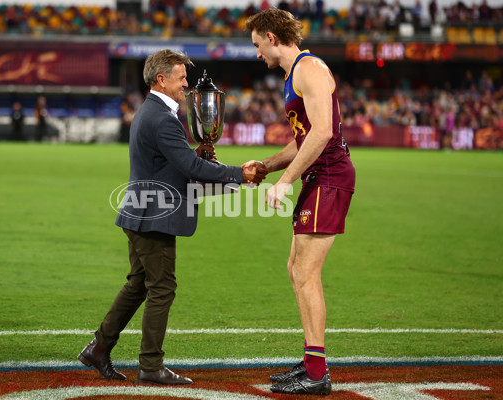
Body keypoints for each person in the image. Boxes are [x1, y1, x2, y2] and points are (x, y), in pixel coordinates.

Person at [77, 49, 267, 386]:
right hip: (155, 217)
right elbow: (190, 168)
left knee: (138, 284)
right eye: (181, 78)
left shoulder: (151, 113)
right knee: (162, 288)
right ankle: (150, 365)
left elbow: (171, 162)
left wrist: (202, 158)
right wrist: (241, 174)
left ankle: (99, 347)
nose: (186, 85)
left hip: (141, 213)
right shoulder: (162, 118)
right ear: (161, 79)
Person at [244, 8, 355, 395]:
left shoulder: (308, 69)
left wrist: (285, 181)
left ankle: (316, 372)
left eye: (258, 45)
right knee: (296, 268)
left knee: (306, 273)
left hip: (328, 177)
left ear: (272, 38)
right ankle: (312, 363)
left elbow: (322, 132)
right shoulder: (295, 74)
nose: (258, 53)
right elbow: (303, 138)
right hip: (319, 177)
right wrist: (268, 166)